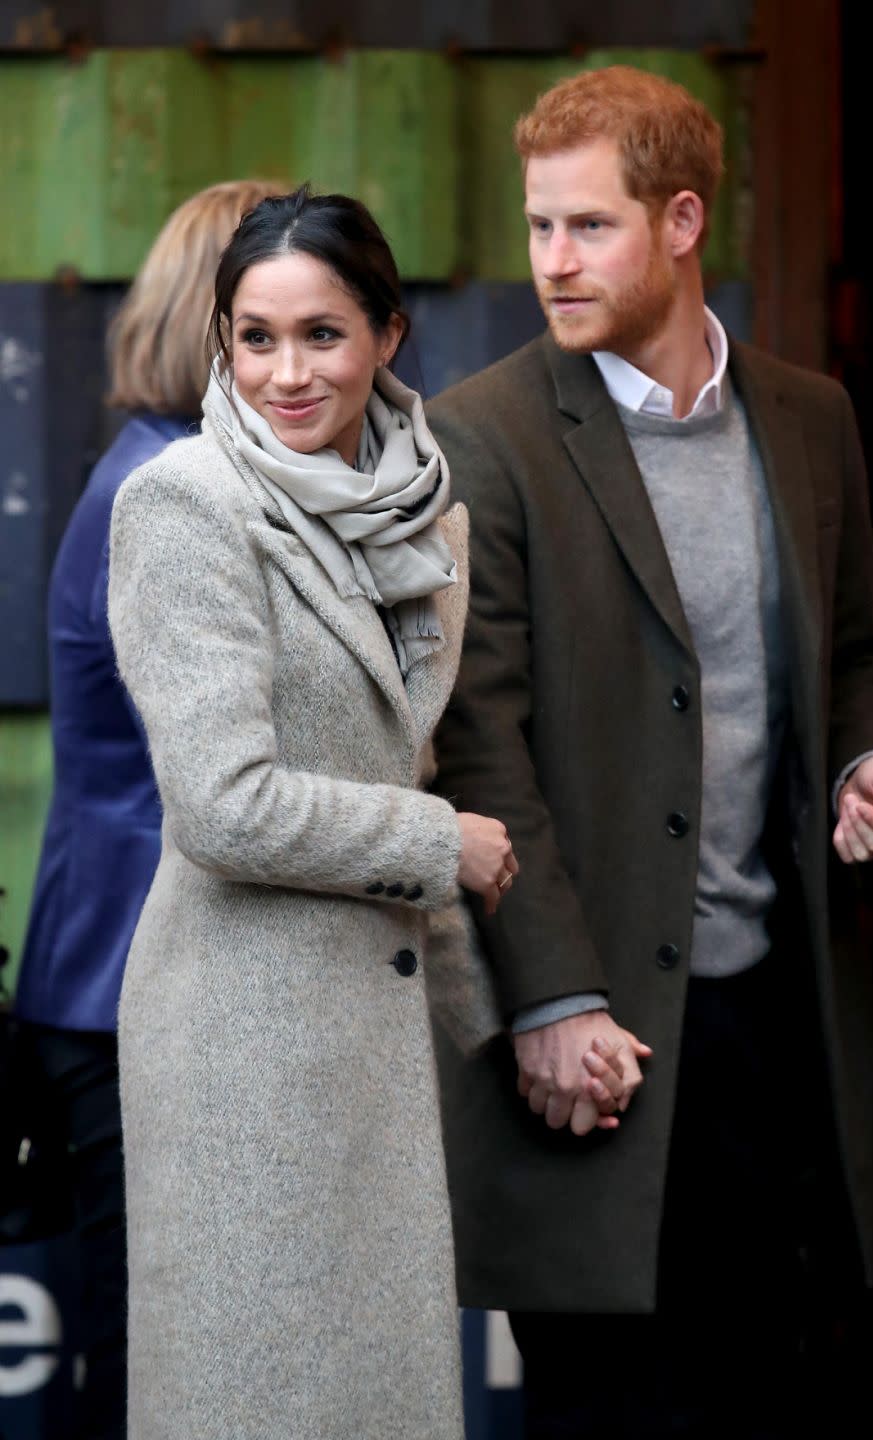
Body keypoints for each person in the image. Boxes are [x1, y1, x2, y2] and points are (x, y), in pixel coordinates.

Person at [427, 66, 873, 1439]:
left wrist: (861, 770)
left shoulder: (809, 417)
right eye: (538, 227)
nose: (552, 262)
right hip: (603, 1035)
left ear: (684, 219)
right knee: (613, 1412)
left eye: (588, 227)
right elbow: (481, 739)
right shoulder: (488, 433)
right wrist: (550, 1000)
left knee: (787, 1397)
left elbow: (858, 659)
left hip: (787, 1018)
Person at [106, 187, 522, 1440]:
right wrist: (438, 845)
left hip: (380, 1058)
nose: (289, 373)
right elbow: (222, 806)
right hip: (245, 1057)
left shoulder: (428, 514)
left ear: (389, 336)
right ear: (222, 342)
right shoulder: (186, 503)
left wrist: (492, 1037)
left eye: (323, 334)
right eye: (257, 337)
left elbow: (398, 759)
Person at [13, 178, 278, 1440]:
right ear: (219, 322)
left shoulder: (166, 476)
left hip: (129, 981)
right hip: (135, 990)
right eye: (276, 317)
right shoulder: (166, 495)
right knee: (152, 1376)